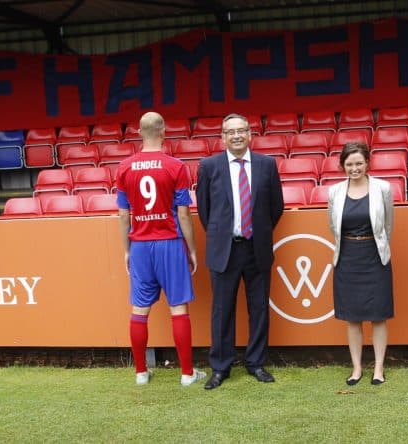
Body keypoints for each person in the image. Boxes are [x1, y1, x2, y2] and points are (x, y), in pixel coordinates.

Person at [114, 111, 205, 386]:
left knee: (139, 310)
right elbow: (184, 214)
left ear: (139, 132)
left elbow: (123, 215)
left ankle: (141, 373)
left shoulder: (124, 167)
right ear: (163, 130)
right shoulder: (176, 166)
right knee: (178, 308)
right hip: (169, 243)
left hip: (140, 245)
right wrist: (190, 249)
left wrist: (127, 249)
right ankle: (187, 374)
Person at [196, 113, 284, 390]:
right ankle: (221, 367)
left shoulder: (267, 165)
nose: (236, 135)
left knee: (258, 308)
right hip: (224, 249)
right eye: (230, 132)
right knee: (222, 310)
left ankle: (256, 362)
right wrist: (224, 233)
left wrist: (256, 231)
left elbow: (275, 207)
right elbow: (204, 210)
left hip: (256, 247)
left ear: (250, 134)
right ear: (222, 137)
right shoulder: (209, 166)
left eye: (241, 130)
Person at [326, 142, 395, 386]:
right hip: (346, 257)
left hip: (375, 256)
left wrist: (380, 247)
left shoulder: (383, 188)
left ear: (367, 163)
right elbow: (333, 227)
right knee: (352, 317)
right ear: (342, 166)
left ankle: (378, 368)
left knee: (378, 316)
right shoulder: (334, 192)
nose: (354, 168)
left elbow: (387, 226)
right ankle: (356, 369)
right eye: (349, 164)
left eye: (359, 163)